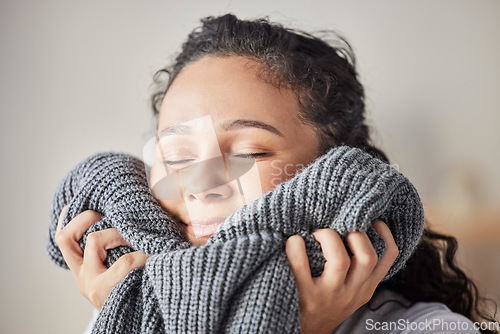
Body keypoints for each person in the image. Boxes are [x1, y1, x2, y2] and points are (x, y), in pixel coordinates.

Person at [53, 14, 498, 333]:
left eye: (251, 151)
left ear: (336, 172)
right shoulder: (130, 307)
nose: (200, 186)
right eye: (177, 158)